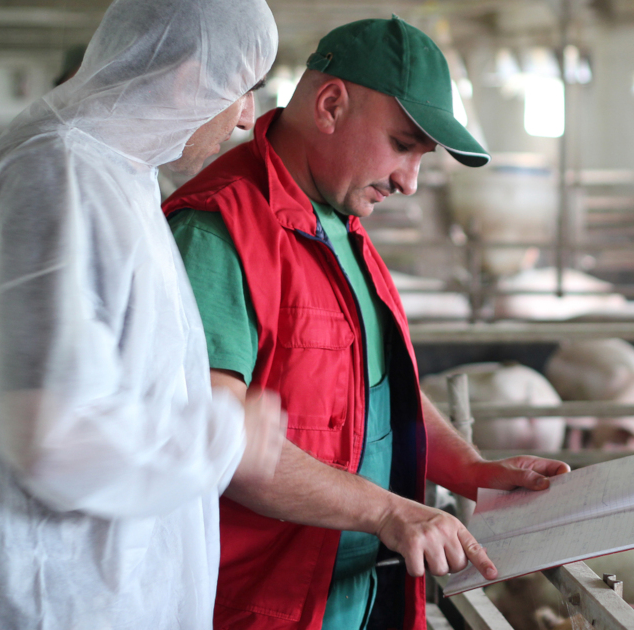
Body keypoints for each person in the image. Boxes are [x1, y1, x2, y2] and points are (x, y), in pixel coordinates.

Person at [162, 16, 570, 630]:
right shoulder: (219, 234)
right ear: (330, 105)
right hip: (258, 605)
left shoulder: (342, 229)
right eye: (403, 146)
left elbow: (382, 397)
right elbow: (214, 438)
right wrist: (389, 513)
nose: (409, 181)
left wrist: (474, 471)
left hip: (360, 597)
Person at [0, 0, 287, 627]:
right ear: (191, 74)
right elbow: (53, 438)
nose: (247, 118)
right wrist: (223, 435)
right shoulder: (57, 174)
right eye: (244, 90)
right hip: (49, 599)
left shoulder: (114, 171)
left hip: (95, 589)